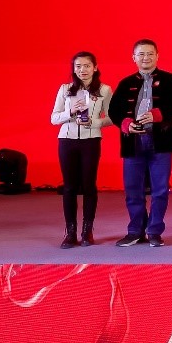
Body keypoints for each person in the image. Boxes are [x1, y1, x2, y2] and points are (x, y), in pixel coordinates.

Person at [108, 39, 172, 247]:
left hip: (161, 142)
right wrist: (126, 124)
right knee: (133, 189)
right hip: (133, 142)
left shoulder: (169, 79)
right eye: (141, 54)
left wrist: (157, 115)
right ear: (133, 58)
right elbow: (114, 111)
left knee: (160, 190)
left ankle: (154, 231)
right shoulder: (126, 83)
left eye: (150, 53)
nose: (146, 58)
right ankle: (135, 230)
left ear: (157, 56)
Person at [49, 52, 113, 248]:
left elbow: (112, 117)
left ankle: (87, 230)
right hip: (67, 140)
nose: (82, 70)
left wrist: (94, 122)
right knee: (69, 186)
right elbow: (54, 118)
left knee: (88, 185)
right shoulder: (65, 89)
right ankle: (70, 232)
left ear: (95, 67)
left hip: (90, 141)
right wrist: (70, 112)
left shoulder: (104, 90)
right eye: (78, 66)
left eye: (86, 66)